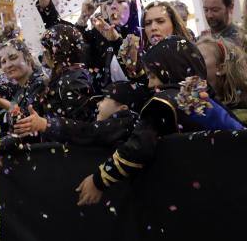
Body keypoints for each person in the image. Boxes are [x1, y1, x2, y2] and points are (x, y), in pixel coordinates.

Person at [75, 37, 244, 205]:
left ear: (168, 70)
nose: (149, 84)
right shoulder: (201, 96)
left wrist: (99, 180)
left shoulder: (163, 102)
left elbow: (139, 146)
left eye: (152, 76)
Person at [19, 0, 141, 92]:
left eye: (120, 0)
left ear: (133, 7)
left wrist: (116, 41)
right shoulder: (99, 35)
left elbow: (138, 74)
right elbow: (65, 37)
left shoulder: (144, 35)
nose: (113, 6)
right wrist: (83, 17)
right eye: (109, 2)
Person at [13, 81, 142, 147]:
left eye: (104, 99)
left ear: (123, 108)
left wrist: (45, 124)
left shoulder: (127, 122)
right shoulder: (125, 123)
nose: (98, 104)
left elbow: (88, 132)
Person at [39, 23, 95, 121]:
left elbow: (83, 127)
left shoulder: (72, 81)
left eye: (45, 51)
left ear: (57, 52)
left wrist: (46, 126)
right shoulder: (66, 76)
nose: (43, 57)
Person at [196, 37, 247, 122]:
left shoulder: (241, 111)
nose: (192, 62)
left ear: (221, 68)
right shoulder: (197, 104)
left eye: (199, 58)